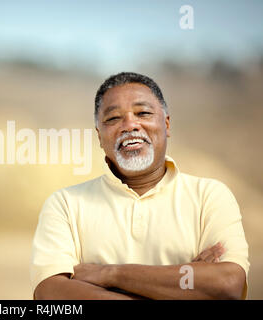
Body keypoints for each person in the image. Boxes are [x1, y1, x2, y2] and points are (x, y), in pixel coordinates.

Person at [30, 72, 249, 300]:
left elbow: (227, 283)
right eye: (113, 118)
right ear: (99, 136)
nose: (130, 125)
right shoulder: (65, 204)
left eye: (143, 113)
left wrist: (110, 274)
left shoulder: (209, 196)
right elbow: (50, 293)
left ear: (166, 124)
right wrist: (182, 285)